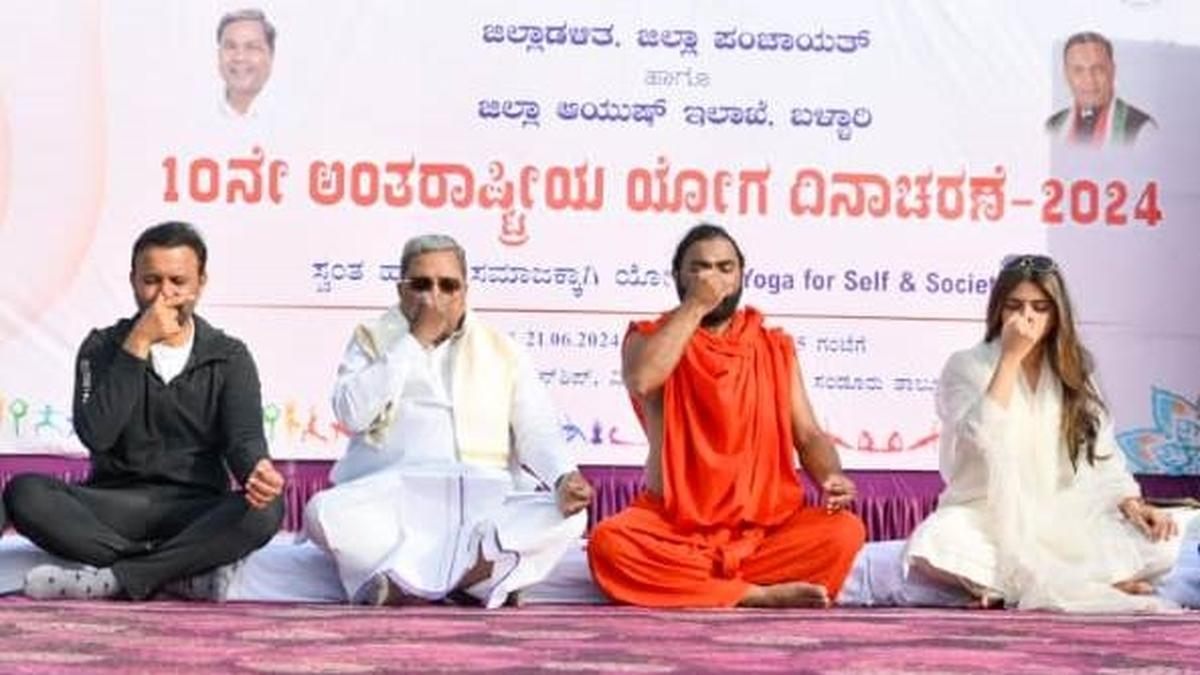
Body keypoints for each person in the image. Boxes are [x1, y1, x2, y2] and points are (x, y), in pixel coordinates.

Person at [303, 234, 593, 608]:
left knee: (568, 517)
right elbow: (351, 413)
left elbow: (536, 428)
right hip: (393, 500)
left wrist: (563, 476)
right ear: (400, 289)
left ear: (465, 291)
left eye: (447, 285)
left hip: (480, 502)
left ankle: (434, 582)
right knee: (322, 514)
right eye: (421, 284)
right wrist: (414, 340)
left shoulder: (502, 350)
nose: (433, 296)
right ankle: (478, 581)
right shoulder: (373, 339)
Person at [3, 221, 285, 600]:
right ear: (133, 280)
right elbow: (97, 434)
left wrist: (257, 473)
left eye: (178, 281)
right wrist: (138, 342)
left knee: (265, 510)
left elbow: (244, 442)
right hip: (114, 506)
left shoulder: (228, 356)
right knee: (26, 494)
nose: (163, 295)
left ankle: (118, 578)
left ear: (201, 282)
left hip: (194, 508)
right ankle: (172, 572)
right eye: (151, 280)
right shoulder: (101, 347)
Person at [587, 224, 866, 608]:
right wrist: (696, 307)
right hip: (676, 527)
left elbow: (808, 432)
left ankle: (708, 588)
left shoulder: (772, 345)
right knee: (610, 545)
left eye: (724, 268)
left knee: (843, 533)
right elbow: (643, 378)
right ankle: (753, 594)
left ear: (740, 276)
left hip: (766, 530)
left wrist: (830, 475)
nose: (712, 278)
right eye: (699, 268)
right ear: (678, 276)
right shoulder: (649, 337)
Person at [904, 254, 1184, 611]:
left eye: (1040, 308)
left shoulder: (1074, 368)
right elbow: (979, 438)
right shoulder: (967, 365)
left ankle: (1019, 586)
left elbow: (1102, 452)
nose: (1027, 318)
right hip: (989, 513)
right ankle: (1098, 582)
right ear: (998, 312)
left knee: (1166, 542)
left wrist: (1131, 502)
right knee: (938, 542)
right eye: (1015, 306)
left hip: (1067, 513)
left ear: (1057, 315)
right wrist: (1009, 360)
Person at [1045, 31, 1156, 146]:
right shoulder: (1052, 127)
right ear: (1066, 74)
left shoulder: (1142, 130)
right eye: (1078, 70)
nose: (1089, 80)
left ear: (1112, 70)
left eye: (1098, 69)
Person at [217, 8, 275, 118]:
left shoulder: (295, 118)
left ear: (271, 55)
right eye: (230, 47)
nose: (240, 57)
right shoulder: (194, 116)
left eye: (252, 47)